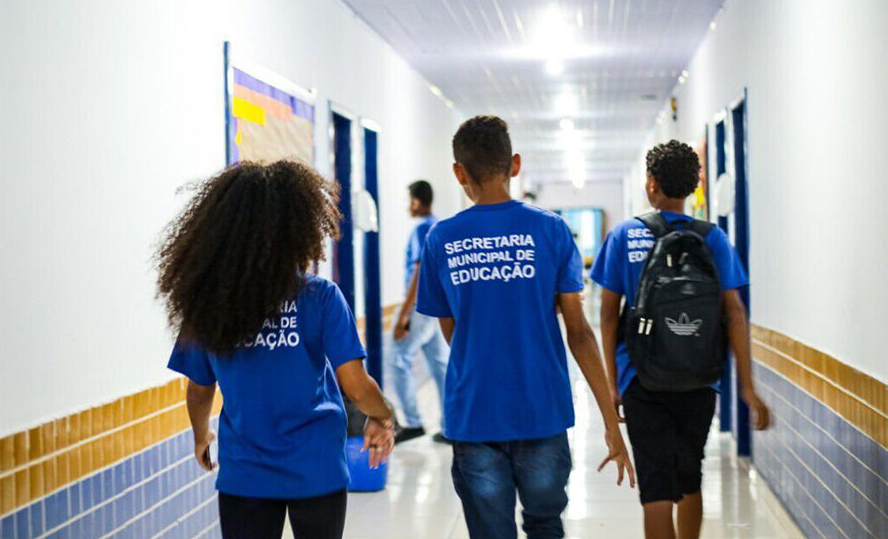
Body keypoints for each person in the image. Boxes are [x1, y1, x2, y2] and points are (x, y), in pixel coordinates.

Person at [415, 115, 634, 539]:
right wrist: (610, 420)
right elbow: (580, 332)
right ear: (514, 164)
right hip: (542, 409)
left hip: (474, 412)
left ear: (459, 172)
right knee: (545, 524)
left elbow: (452, 331)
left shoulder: (442, 239)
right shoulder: (551, 231)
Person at [156, 161, 396, 539]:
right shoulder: (321, 297)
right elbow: (356, 386)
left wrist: (201, 435)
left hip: (246, 473)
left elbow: (199, 389)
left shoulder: (210, 304)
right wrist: (383, 415)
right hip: (316, 470)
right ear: (298, 229)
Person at [590, 140, 771, 539]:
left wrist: (610, 384)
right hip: (700, 378)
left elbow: (606, 318)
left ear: (651, 184)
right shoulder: (714, 239)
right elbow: (735, 313)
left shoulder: (624, 236)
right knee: (690, 478)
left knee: (656, 490)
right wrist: (748, 387)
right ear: (694, 186)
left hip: (640, 380)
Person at [389, 180, 450, 444]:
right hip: (435, 304)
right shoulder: (437, 226)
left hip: (421, 307)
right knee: (439, 365)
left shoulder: (422, 229)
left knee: (398, 357)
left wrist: (403, 315)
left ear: (416, 201)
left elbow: (419, 271)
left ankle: (413, 422)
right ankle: (452, 425)